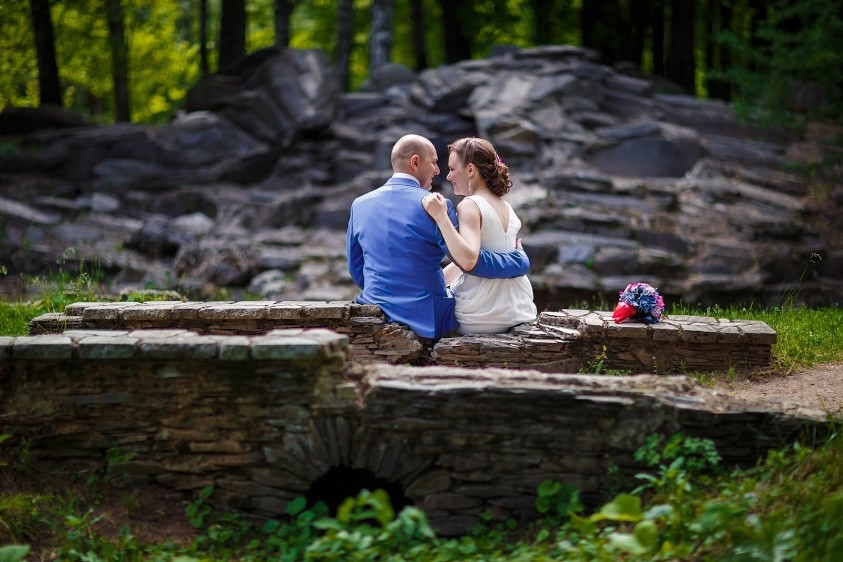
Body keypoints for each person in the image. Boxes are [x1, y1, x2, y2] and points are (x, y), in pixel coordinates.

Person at [346, 134, 531, 340]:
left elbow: (356, 267)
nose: (438, 171)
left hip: (376, 302)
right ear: (415, 162)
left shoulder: (359, 204)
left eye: (449, 168)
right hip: (427, 315)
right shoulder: (437, 205)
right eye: (434, 162)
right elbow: (466, 260)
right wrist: (519, 261)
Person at [422, 137, 537, 334]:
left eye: (452, 169)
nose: (448, 176)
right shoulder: (506, 206)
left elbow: (468, 260)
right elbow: (479, 257)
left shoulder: (470, 205)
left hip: (481, 315)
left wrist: (441, 217)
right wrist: (437, 281)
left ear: (470, 170)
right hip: (519, 309)